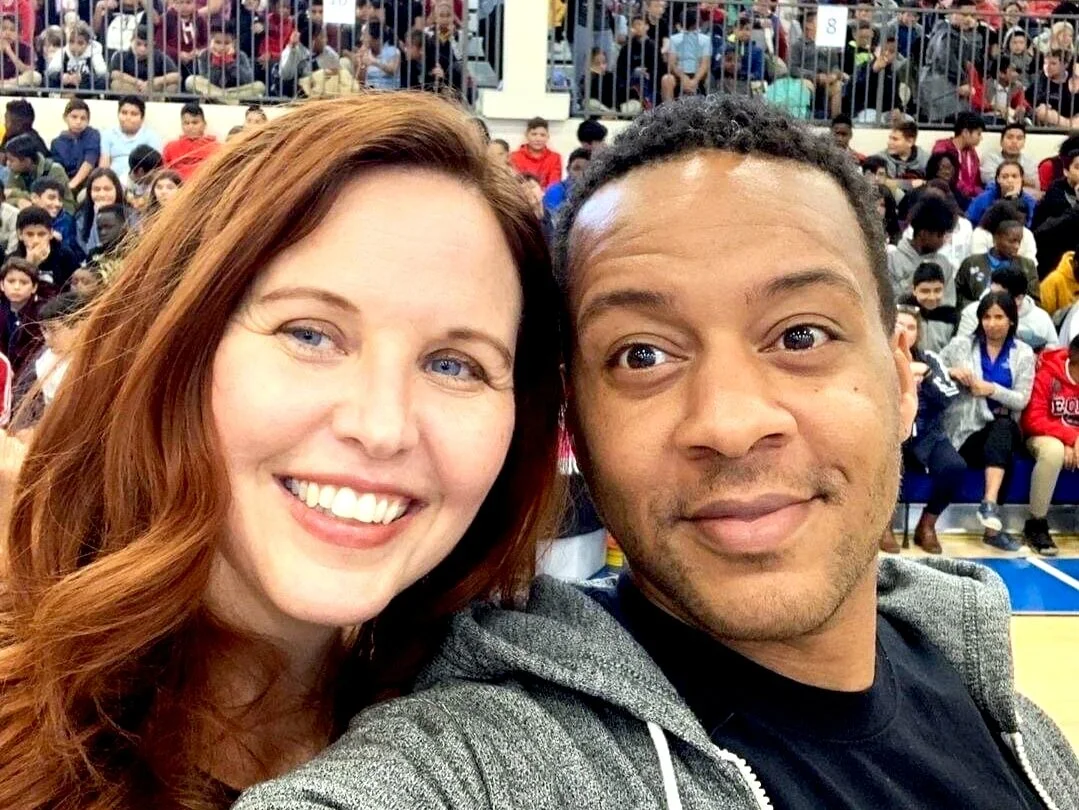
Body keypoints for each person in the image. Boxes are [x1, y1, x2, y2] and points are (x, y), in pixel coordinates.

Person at [237, 94, 1079, 810]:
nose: (729, 421)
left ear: (900, 375)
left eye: (800, 334)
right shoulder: (484, 758)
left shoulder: (1015, 722)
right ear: (575, 416)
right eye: (641, 354)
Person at [0, 92, 564, 809]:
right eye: (310, 333)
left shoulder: (517, 741)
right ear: (174, 344)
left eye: (454, 364)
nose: (382, 426)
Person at [940, 291, 1035, 551]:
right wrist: (951, 371)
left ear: (1011, 320)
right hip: (966, 431)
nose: (992, 323)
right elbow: (933, 367)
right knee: (1001, 450)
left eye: (999, 317)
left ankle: (989, 505)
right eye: (986, 317)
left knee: (1002, 431)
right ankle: (991, 526)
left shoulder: (1023, 353)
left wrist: (992, 389)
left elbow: (1022, 399)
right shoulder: (962, 345)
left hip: (1003, 428)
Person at [893, 304, 964, 555]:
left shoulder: (931, 359)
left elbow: (950, 396)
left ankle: (927, 524)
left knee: (954, 467)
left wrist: (928, 377)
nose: (905, 331)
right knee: (881, 463)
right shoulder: (878, 358)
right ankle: (882, 526)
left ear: (918, 333)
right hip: (892, 433)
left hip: (927, 433)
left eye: (911, 327)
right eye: (898, 325)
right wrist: (901, 376)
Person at [1019, 334, 1079, 557]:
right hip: (1042, 435)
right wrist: (1071, 438)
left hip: (1073, 439)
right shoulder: (1048, 372)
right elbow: (1033, 419)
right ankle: (1036, 524)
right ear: (1073, 361)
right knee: (1053, 452)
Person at [956, 266, 1057, 350]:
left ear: (1019, 298)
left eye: (1000, 295)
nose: (992, 298)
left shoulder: (1042, 318)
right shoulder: (972, 312)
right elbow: (961, 348)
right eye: (991, 292)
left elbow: (1054, 350)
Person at [956, 217, 1039, 309]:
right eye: (1012, 241)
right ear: (996, 239)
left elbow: (1035, 301)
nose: (1017, 246)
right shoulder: (971, 263)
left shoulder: (1027, 265)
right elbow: (958, 295)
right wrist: (976, 308)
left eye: (1019, 242)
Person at [888, 195, 956, 301]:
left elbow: (948, 304)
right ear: (923, 233)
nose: (943, 240)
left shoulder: (944, 264)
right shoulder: (892, 261)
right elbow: (887, 302)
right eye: (939, 235)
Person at [188, 23, 267, 101]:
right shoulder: (204, 55)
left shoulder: (240, 55)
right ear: (210, 42)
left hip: (236, 89)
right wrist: (216, 61)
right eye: (218, 42)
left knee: (260, 87)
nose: (222, 47)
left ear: (234, 43)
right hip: (213, 87)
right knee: (191, 81)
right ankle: (230, 100)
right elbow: (209, 80)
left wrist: (230, 62)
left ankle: (221, 99)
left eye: (226, 43)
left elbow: (248, 79)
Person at [1032, 147, 1079, 278]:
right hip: (1054, 261)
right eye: (1078, 167)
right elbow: (1047, 230)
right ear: (1066, 171)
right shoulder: (1054, 195)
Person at [10, 204, 79, 293]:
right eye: (30, 234)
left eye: (41, 234)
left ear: (50, 234)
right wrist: (29, 265)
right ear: (20, 235)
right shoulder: (13, 260)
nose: (36, 240)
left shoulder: (65, 255)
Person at [99, 96, 164, 185]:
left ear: (142, 118)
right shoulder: (108, 134)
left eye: (134, 114)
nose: (128, 117)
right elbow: (104, 165)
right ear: (118, 114)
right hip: (114, 184)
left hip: (142, 184)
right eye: (124, 113)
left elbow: (155, 170)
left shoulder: (151, 137)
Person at [4, 133, 75, 214]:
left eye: (11, 160)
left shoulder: (54, 170)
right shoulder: (16, 170)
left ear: (26, 161)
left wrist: (15, 193)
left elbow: (62, 204)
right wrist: (18, 201)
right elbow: (6, 197)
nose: (7, 164)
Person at [109, 23, 182, 94]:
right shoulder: (121, 55)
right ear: (131, 41)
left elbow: (177, 76)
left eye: (146, 45)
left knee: (172, 86)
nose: (142, 49)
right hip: (132, 89)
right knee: (116, 84)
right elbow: (115, 74)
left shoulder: (159, 56)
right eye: (138, 44)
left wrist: (153, 82)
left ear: (153, 44)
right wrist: (137, 82)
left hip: (153, 90)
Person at [0, 256, 43, 376]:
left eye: (24, 282)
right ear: (2, 285)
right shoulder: (2, 309)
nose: (17, 287)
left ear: (34, 287)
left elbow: (37, 353)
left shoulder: (41, 314)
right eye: (11, 281)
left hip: (29, 376)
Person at [902, 261, 957, 352]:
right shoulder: (902, 313)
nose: (932, 297)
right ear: (914, 290)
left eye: (937, 290)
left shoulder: (950, 316)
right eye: (925, 291)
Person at [49, 99, 100, 196]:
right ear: (65, 118)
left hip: (89, 182)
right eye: (74, 117)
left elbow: (89, 162)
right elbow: (58, 169)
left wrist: (72, 185)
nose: (78, 122)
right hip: (66, 183)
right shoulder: (56, 143)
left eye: (83, 118)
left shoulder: (92, 134)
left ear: (88, 121)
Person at [965, 160, 1036, 230]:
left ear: (1022, 179)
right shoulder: (984, 198)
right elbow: (969, 221)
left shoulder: (1030, 202)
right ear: (998, 179)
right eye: (1005, 177)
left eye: (1014, 176)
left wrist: (1014, 199)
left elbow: (1030, 228)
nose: (1010, 180)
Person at [932, 112, 984, 202]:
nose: (981, 138)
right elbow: (945, 179)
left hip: (970, 198)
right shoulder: (942, 148)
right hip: (948, 197)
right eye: (978, 134)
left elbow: (977, 181)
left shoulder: (972, 153)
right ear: (965, 132)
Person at [660, 6, 709, 103]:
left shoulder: (705, 40)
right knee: (667, 79)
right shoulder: (674, 39)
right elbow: (672, 64)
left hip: (698, 75)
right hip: (679, 75)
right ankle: (669, 112)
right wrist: (683, 78)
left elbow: (704, 64)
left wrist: (695, 80)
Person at [163, 102, 220, 182]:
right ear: (182, 125)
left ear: (204, 124)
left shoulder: (216, 148)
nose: (190, 127)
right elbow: (165, 175)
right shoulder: (170, 147)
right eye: (186, 123)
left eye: (195, 123)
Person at [75, 167, 124, 258]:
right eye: (97, 190)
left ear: (116, 189)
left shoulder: (129, 212)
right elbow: (89, 251)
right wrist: (97, 217)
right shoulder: (81, 217)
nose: (102, 195)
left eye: (107, 189)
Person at [156, 0, 209, 84]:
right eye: (180, 2)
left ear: (195, 4)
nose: (184, 6)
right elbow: (160, 43)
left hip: (194, 58)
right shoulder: (166, 18)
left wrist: (198, 51)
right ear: (173, 3)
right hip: (172, 58)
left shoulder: (200, 19)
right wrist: (178, 54)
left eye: (188, 2)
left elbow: (207, 42)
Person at [44, 21, 108, 90]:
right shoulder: (64, 51)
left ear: (88, 43)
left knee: (102, 82)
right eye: (71, 42)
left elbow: (103, 74)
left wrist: (83, 78)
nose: (75, 47)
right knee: (47, 79)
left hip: (85, 87)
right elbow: (50, 71)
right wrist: (61, 77)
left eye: (80, 43)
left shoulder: (94, 51)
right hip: (66, 85)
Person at [980, 123, 1039, 196]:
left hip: (1024, 196)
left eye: (1019, 138)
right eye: (1010, 137)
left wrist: (1005, 178)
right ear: (1001, 142)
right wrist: (1021, 180)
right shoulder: (990, 157)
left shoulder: (1029, 160)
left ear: (1024, 143)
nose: (1014, 142)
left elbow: (1034, 184)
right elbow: (989, 180)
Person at [1027, 49, 1079, 128]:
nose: (1047, 67)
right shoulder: (1040, 80)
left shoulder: (1074, 80)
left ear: (1065, 65)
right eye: (1045, 63)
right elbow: (1028, 101)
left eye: (1053, 64)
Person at [29, 177, 78, 258]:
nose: (57, 204)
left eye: (60, 200)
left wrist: (56, 243)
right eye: (51, 198)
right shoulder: (24, 220)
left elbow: (71, 255)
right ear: (35, 198)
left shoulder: (67, 221)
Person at [874, 119, 928, 193]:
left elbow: (935, 184)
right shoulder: (879, 158)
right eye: (890, 138)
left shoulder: (926, 159)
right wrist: (908, 184)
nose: (889, 142)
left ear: (910, 142)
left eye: (895, 139)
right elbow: (876, 181)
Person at [508, 117, 562, 189]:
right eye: (534, 134)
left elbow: (554, 186)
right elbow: (513, 184)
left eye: (542, 135)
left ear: (547, 137)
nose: (538, 139)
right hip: (520, 197)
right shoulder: (515, 156)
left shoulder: (554, 158)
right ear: (527, 135)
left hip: (546, 198)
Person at [543, 148, 590, 216]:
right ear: (568, 169)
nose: (581, 173)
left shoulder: (595, 190)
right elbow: (555, 221)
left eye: (587, 169)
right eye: (577, 168)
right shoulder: (555, 190)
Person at [0, 13, 40, 88]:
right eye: (4, 28)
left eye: (12, 30)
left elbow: (28, 71)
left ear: (19, 34)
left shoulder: (26, 48)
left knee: (35, 76)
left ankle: (6, 85)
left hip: (17, 86)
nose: (7, 33)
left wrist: (9, 52)